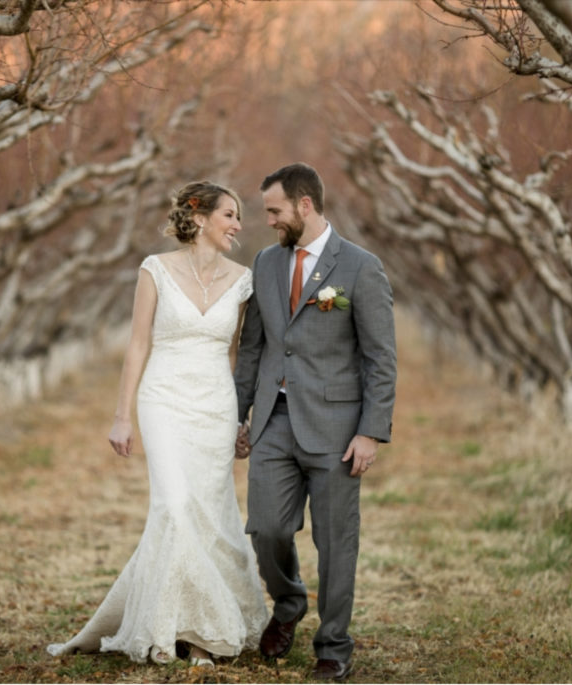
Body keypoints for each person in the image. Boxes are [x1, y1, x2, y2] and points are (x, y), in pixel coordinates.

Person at [46, 181, 268, 667]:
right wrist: (122, 415)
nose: (238, 225)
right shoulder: (155, 269)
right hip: (163, 398)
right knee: (173, 504)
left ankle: (201, 635)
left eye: (239, 217)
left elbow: (239, 354)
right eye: (229, 215)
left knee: (210, 512)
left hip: (215, 403)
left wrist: (242, 416)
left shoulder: (243, 279)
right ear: (200, 217)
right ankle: (167, 627)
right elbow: (138, 344)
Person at [233, 163, 397, 681]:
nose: (270, 222)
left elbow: (380, 358)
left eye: (276, 211)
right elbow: (253, 348)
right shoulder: (264, 263)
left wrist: (371, 430)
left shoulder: (360, 268)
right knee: (265, 528)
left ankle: (334, 644)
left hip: (337, 430)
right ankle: (288, 603)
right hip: (273, 424)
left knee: (336, 541)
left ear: (305, 205)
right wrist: (237, 416)